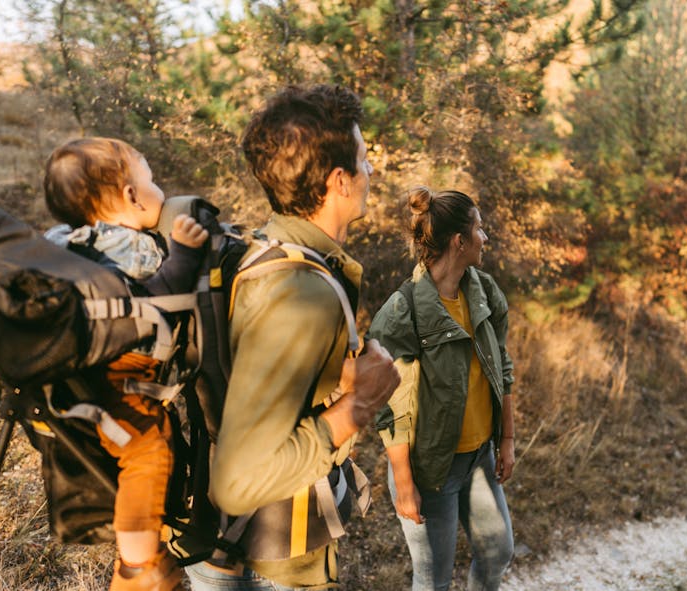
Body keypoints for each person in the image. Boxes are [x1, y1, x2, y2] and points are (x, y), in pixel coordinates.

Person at [184, 84, 400, 590]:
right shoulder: (300, 293)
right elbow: (238, 483)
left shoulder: (266, 248)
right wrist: (358, 407)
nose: (373, 172)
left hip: (239, 551)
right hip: (266, 564)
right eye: (365, 160)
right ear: (339, 181)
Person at [43, 136, 210, 591]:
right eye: (150, 180)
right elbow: (162, 299)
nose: (158, 189)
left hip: (70, 377)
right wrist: (186, 254)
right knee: (148, 449)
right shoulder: (132, 249)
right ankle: (137, 567)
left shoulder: (58, 243)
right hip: (118, 379)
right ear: (131, 197)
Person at [367, 187, 516, 591]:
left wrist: (506, 440)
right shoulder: (403, 312)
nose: (486, 238)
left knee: (497, 551)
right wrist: (404, 483)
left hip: (479, 457)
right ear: (459, 240)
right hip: (431, 467)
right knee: (433, 580)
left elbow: (502, 365)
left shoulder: (484, 292)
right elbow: (390, 406)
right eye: (480, 229)